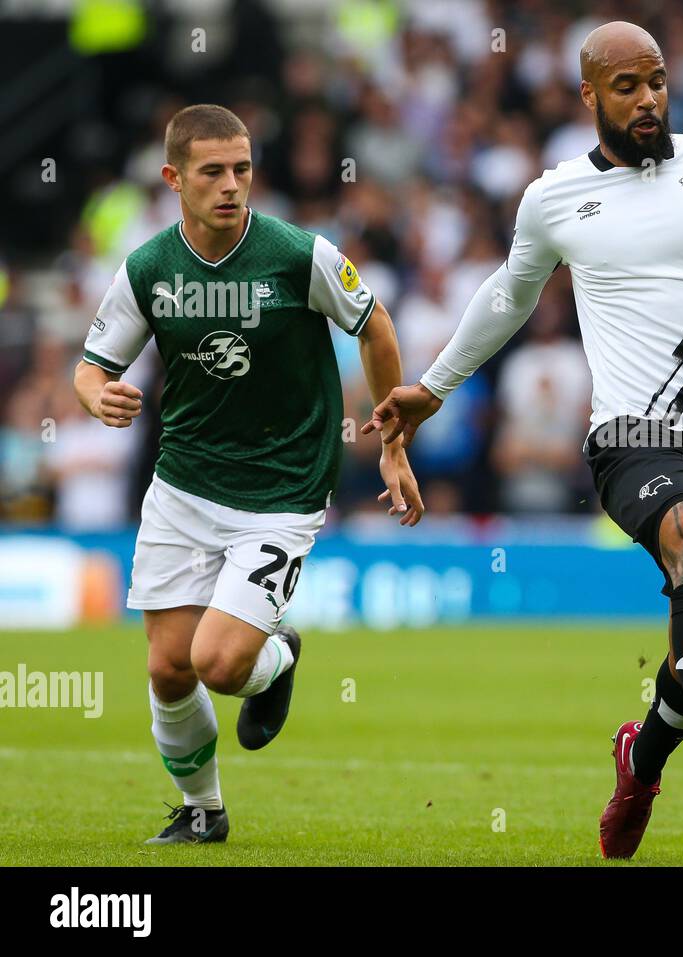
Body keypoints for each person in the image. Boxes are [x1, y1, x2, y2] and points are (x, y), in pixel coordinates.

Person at [362, 22, 683, 858]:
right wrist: (434, 387)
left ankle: (642, 756)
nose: (649, 98)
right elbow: (508, 297)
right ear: (589, 96)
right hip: (632, 437)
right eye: (627, 86)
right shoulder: (552, 199)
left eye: (656, 81)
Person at [73, 104, 423, 845]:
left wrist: (392, 442)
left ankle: (278, 653)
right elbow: (91, 364)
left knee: (220, 664)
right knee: (170, 669)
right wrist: (94, 394)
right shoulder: (149, 268)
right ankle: (203, 810)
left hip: (282, 489)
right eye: (212, 172)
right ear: (173, 178)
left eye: (242, 169)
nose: (232, 185)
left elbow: (376, 325)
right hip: (183, 486)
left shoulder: (301, 255)